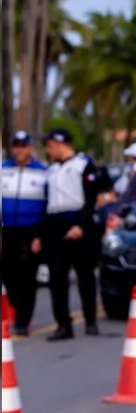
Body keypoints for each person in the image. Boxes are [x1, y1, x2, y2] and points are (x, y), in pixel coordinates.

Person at [39, 128, 101, 341]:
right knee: (57, 277)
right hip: (55, 223)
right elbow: (46, 201)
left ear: (60, 144)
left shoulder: (83, 165)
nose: (49, 150)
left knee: (85, 275)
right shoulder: (51, 170)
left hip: (78, 221)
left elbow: (91, 198)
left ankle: (90, 320)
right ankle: (63, 325)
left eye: (50, 146)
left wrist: (81, 225)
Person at [1, 131, 47, 336]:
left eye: (24, 146)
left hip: (31, 231)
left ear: (31, 148)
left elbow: (48, 205)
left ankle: (23, 320)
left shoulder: (42, 172)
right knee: (8, 275)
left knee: (27, 276)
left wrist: (40, 235)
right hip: (7, 229)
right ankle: (18, 305)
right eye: (17, 146)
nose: (20, 150)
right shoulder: (4, 170)